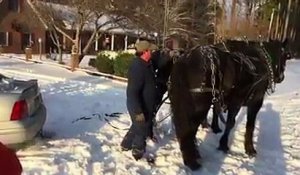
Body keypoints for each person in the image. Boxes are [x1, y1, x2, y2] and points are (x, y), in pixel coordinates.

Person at [120, 40, 159, 160]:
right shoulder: (138, 68)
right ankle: (138, 153)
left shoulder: (147, 64)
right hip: (138, 106)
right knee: (141, 129)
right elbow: (132, 93)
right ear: (145, 52)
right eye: (151, 50)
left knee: (137, 126)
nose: (153, 52)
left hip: (146, 105)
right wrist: (137, 112)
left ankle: (125, 144)